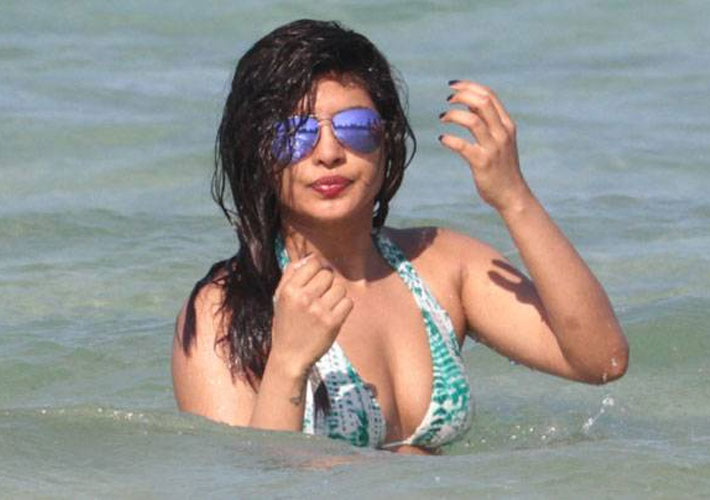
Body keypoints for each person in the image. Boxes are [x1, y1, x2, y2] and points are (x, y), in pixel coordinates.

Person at [171, 19, 629, 455]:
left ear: (387, 139)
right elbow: (251, 483)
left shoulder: (441, 266)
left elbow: (601, 360)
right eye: (295, 134)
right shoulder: (221, 312)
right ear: (256, 152)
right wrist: (288, 362)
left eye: (354, 128)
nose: (328, 152)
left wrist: (514, 198)